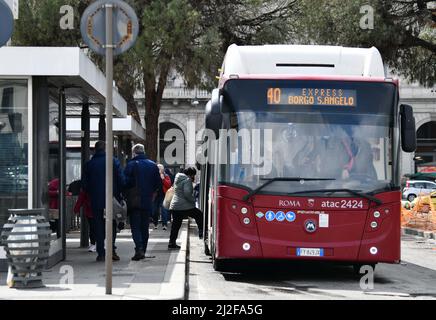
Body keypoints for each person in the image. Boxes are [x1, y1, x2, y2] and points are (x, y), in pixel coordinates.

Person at [82, 141, 125, 262]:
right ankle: (111, 250)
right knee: (111, 224)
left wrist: (92, 192)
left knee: (98, 226)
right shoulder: (113, 161)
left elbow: (84, 185)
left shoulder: (89, 164)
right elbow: (121, 180)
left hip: (95, 199)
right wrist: (120, 194)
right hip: (111, 198)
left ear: (95, 150)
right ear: (106, 149)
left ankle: (101, 253)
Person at [124, 144, 161, 261]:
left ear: (134, 153)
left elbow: (125, 182)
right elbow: (158, 184)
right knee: (145, 227)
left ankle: (139, 248)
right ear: (143, 151)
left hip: (134, 201)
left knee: (135, 226)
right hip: (147, 201)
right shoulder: (153, 165)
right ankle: (143, 250)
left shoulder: (130, 165)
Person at [168, 167, 203, 249]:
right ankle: (201, 231)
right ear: (191, 174)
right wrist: (193, 200)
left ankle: (171, 242)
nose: (193, 177)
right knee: (199, 214)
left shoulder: (178, 178)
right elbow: (187, 193)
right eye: (193, 175)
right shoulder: (187, 180)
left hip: (175, 205)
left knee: (175, 225)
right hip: (184, 206)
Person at [152, 164, 172, 230]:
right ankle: (155, 223)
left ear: (163, 170)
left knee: (164, 211)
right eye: (158, 169)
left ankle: (164, 224)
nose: (159, 170)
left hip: (164, 195)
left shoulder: (166, 176)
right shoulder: (154, 176)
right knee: (155, 211)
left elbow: (169, 185)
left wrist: (163, 179)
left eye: (160, 169)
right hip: (156, 196)